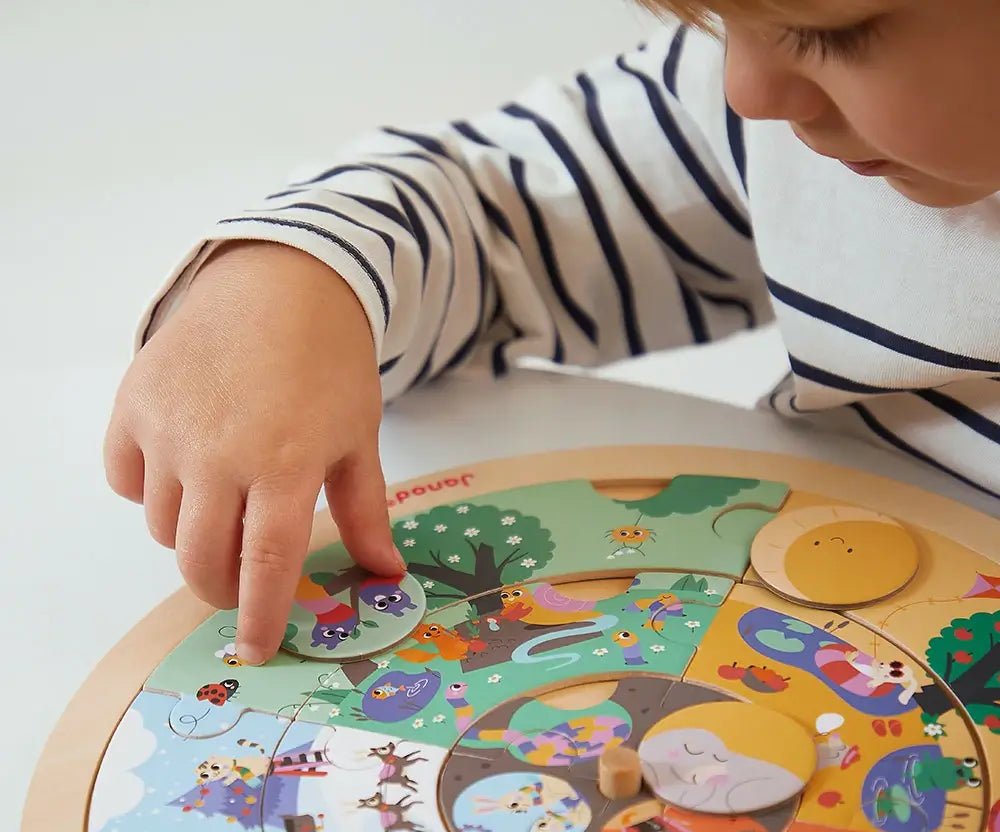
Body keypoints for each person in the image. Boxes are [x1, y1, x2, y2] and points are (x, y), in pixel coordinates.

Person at [103, 1, 1000, 666]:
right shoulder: (768, 116)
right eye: (723, 19)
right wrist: (296, 278)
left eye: (831, 35)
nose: (748, 90)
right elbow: (497, 206)